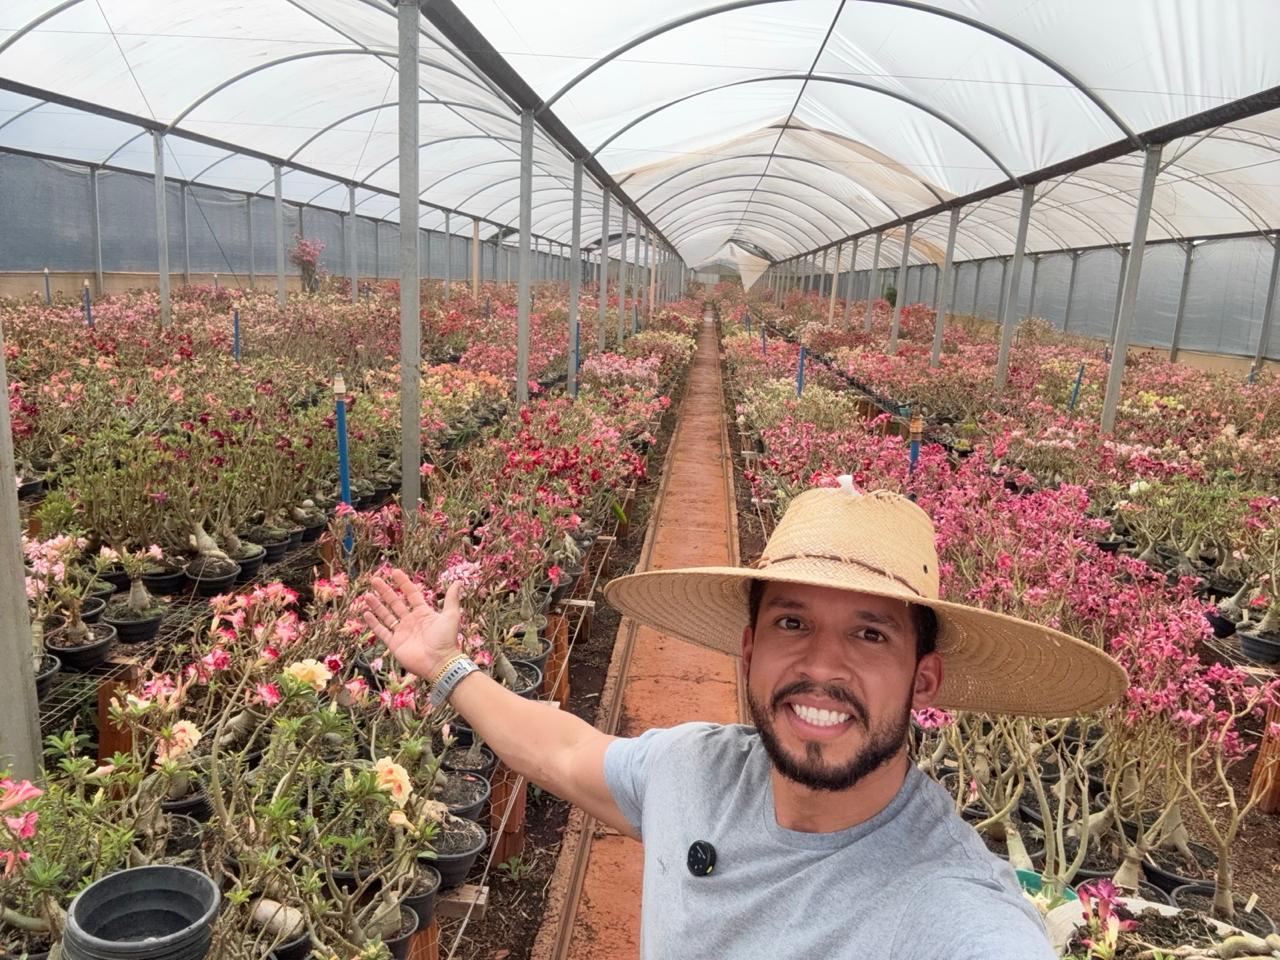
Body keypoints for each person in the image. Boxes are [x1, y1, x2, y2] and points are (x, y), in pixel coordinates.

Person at [363, 479, 1128, 959]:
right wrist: (445, 668)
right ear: (749, 649)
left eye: (870, 634)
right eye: (794, 624)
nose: (824, 667)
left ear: (924, 676)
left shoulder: (954, 915)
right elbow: (564, 752)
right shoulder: (699, 769)